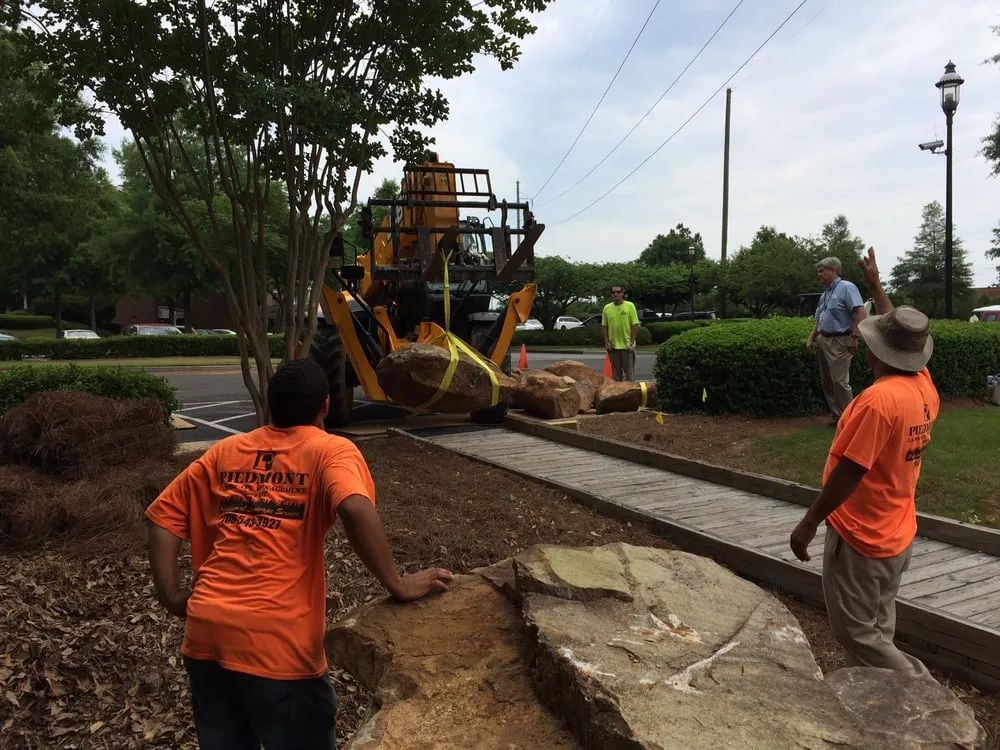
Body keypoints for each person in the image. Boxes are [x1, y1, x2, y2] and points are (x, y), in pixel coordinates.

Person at [145, 358, 453, 750]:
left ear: (272, 404)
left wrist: (171, 596)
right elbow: (355, 507)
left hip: (206, 633)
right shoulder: (330, 451)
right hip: (279, 646)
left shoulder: (226, 451)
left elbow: (162, 517)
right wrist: (398, 583)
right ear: (325, 406)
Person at [790, 247, 937, 680]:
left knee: (857, 634)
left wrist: (810, 521)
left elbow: (851, 471)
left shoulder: (877, 402)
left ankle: (920, 689)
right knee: (878, 625)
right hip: (898, 529)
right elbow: (900, 331)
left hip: (862, 536)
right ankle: (884, 710)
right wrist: (876, 286)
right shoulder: (921, 385)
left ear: (877, 354)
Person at [806, 257, 866, 425]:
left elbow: (860, 312)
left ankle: (850, 419)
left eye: (822, 271)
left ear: (833, 271)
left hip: (841, 341)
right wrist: (812, 338)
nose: (819, 274)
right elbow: (820, 319)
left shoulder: (847, 288)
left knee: (840, 382)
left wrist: (855, 337)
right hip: (824, 340)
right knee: (827, 380)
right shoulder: (825, 294)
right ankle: (837, 415)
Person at [601, 284, 639, 382]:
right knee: (616, 376)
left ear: (622, 293)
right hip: (613, 347)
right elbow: (604, 326)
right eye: (613, 292)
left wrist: (632, 341)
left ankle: (630, 395)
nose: (616, 294)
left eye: (618, 292)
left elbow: (635, 325)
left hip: (627, 346)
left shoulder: (630, 306)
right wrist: (607, 342)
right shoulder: (607, 308)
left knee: (629, 375)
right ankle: (619, 396)